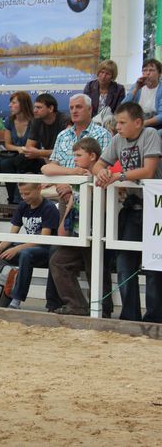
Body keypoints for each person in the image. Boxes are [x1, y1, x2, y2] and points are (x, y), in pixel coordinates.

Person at [93, 101, 162, 322]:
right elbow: (98, 164)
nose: (118, 127)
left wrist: (119, 176)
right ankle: (130, 316)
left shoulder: (150, 134)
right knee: (124, 264)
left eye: (122, 123)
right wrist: (102, 173)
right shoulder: (116, 140)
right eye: (117, 123)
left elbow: (149, 171)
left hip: (155, 209)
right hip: (132, 208)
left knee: (153, 265)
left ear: (138, 122)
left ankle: (154, 318)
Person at [0, 182, 59, 309]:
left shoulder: (49, 208)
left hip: (45, 250)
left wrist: (16, 249)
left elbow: (43, 239)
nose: (24, 197)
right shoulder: (22, 206)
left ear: (39, 189)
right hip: (25, 246)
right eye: (21, 193)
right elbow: (12, 235)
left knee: (25, 254)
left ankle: (16, 300)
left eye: (27, 193)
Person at [49, 137, 102, 316]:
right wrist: (64, 221)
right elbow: (74, 199)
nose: (75, 159)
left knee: (94, 269)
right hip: (79, 232)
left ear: (93, 156)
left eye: (79, 155)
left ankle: (103, 309)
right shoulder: (79, 175)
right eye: (74, 155)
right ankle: (77, 306)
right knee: (58, 261)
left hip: (96, 233)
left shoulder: (101, 174)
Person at [42, 94, 111, 202]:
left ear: (90, 109)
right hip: (62, 189)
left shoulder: (103, 134)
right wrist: (66, 178)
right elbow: (51, 167)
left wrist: (71, 188)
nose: (74, 111)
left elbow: (105, 169)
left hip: (91, 193)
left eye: (78, 107)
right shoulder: (62, 135)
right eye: (71, 108)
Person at [0, 91, 33, 204]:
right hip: (14, 152)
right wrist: (18, 149)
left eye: (13, 103)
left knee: (5, 164)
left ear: (23, 104)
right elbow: (7, 144)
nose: (10, 105)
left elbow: (30, 145)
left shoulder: (33, 121)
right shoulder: (10, 120)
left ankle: (12, 200)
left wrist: (22, 150)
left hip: (30, 155)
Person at [16, 93, 69, 175]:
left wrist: (40, 153)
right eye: (34, 107)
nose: (35, 111)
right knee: (19, 160)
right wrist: (42, 154)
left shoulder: (64, 120)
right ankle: (25, 187)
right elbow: (29, 148)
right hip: (45, 158)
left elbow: (65, 151)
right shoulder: (36, 120)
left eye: (39, 107)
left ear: (51, 108)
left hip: (63, 161)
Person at [122, 58, 162, 130]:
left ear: (159, 73)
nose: (147, 73)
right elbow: (123, 107)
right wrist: (136, 89)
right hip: (136, 120)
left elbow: (161, 116)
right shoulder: (137, 86)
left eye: (151, 70)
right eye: (145, 70)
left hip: (155, 125)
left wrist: (142, 123)